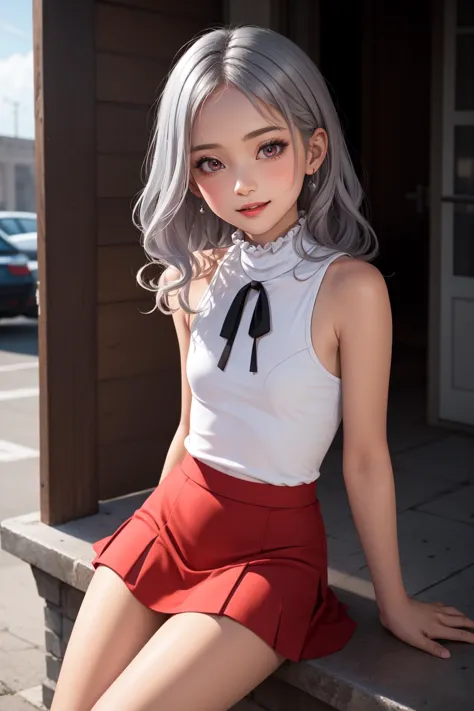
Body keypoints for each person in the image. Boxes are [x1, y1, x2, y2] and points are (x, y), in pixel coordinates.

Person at [49, 25, 474, 711]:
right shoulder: (192, 278)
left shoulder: (352, 289)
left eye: (267, 146)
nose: (241, 183)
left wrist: (393, 602)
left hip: (272, 553)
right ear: (187, 174)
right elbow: (189, 428)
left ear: (313, 149)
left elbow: (365, 457)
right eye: (210, 162)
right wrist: (150, 537)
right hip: (174, 516)